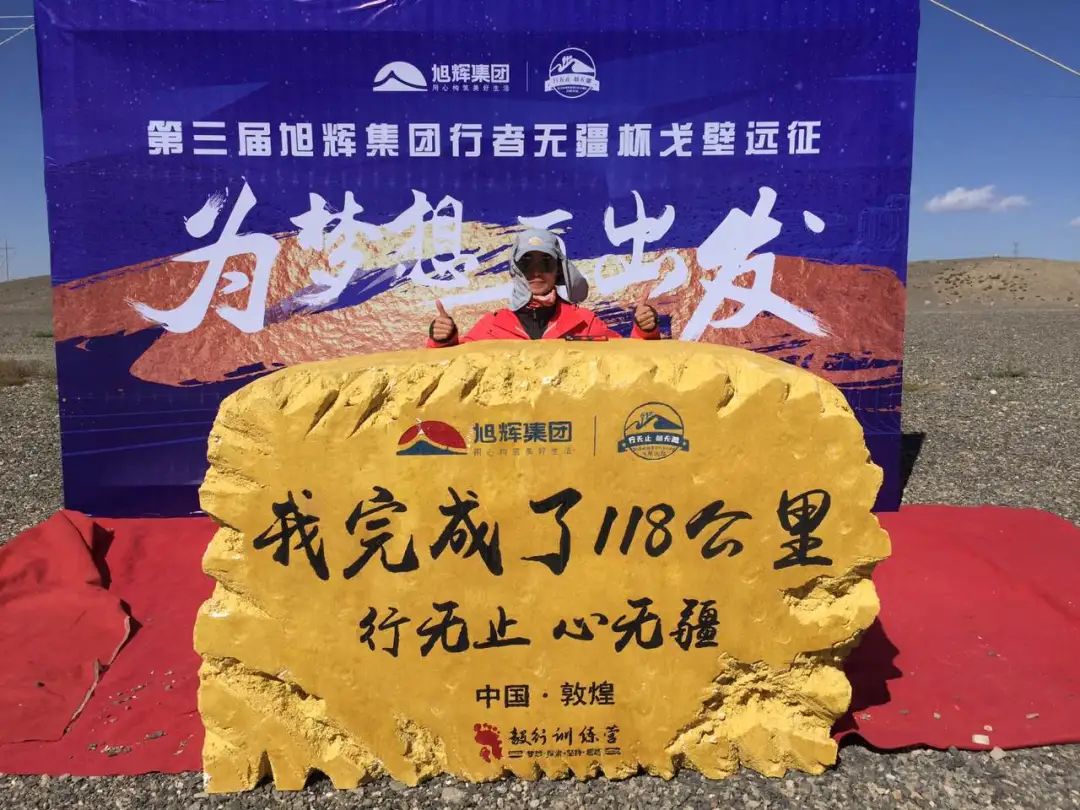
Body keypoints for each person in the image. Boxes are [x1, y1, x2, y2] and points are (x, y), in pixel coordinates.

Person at [427, 228, 660, 347]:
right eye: (527, 263)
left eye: (546, 263)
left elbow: (627, 361)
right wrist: (443, 339)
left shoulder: (584, 322)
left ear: (558, 270)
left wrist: (644, 330)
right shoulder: (492, 325)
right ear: (516, 270)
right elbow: (452, 370)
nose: (536, 272)